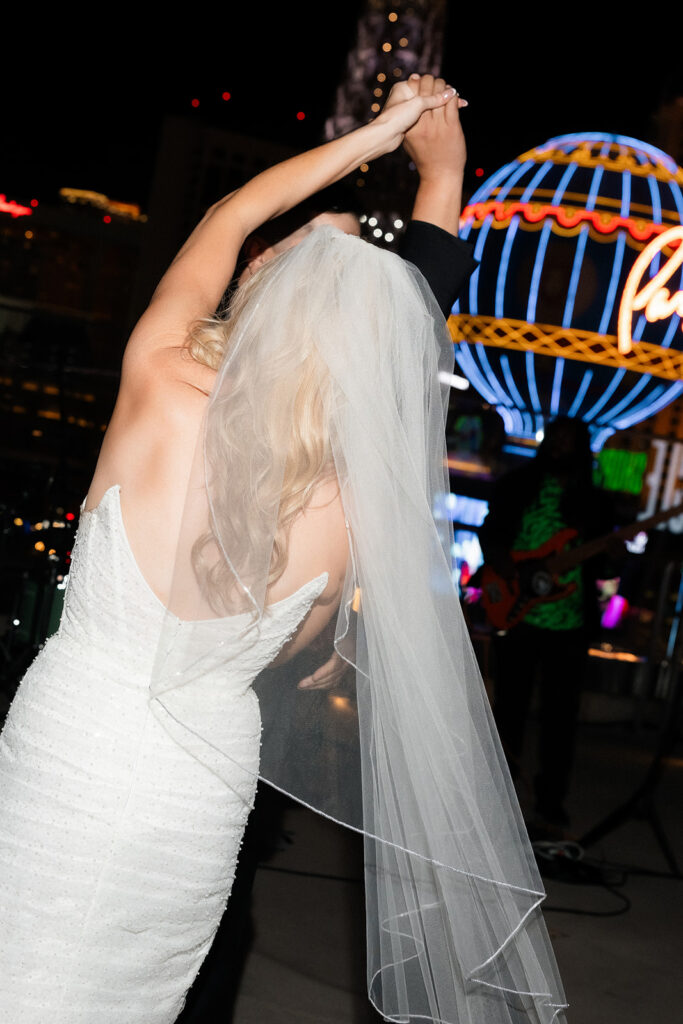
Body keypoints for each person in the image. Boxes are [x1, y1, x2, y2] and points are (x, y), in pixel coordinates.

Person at [0, 78, 568, 1024]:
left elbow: (233, 210)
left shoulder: (160, 374)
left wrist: (376, 135)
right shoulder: (354, 501)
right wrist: (444, 174)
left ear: (260, 288)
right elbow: (304, 653)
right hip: (198, 788)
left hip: (73, 738)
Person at [176, 73, 477, 1023]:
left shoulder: (194, 385)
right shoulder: (236, 401)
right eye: (308, 248)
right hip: (179, 743)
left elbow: (397, 313)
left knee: (211, 934)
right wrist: (434, 165)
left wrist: (427, 163)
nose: (319, 266)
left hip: (210, 754)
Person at [480, 417, 618, 836]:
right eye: (554, 437)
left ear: (582, 447)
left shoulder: (595, 502)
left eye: (569, 440)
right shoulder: (513, 485)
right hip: (518, 617)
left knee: (561, 720)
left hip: (569, 625)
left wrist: (613, 557)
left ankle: (550, 804)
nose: (560, 445)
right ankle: (496, 802)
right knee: (508, 713)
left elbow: (604, 565)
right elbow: (491, 533)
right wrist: (507, 568)